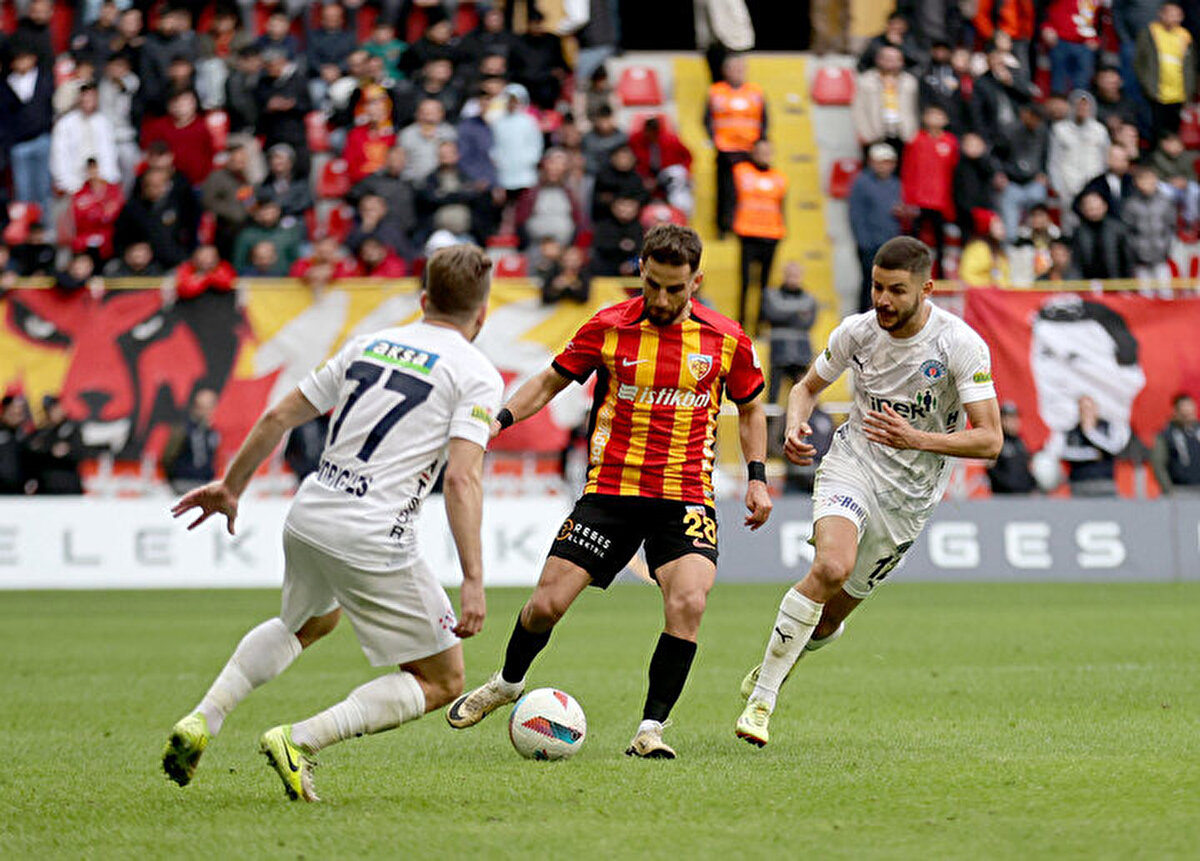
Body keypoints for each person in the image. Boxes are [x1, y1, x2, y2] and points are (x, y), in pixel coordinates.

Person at [161, 244, 503, 803]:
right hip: (374, 536)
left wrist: (232, 487)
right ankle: (300, 741)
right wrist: (472, 578)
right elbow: (463, 480)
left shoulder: (368, 344)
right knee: (444, 680)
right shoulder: (477, 374)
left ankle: (205, 717)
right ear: (482, 315)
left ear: (422, 300)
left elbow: (278, 415)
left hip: (311, 512)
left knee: (307, 624)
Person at [446, 224, 772, 759]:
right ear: (640, 272)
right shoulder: (607, 327)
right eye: (654, 286)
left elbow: (752, 406)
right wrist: (497, 422)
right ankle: (507, 682)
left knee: (689, 601)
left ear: (697, 281)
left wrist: (756, 476)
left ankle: (650, 729)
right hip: (612, 491)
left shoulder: (726, 338)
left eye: (676, 288)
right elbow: (549, 382)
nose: (663, 300)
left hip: (685, 494)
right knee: (545, 605)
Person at [733, 236, 1002, 747]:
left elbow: (990, 438)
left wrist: (916, 438)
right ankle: (763, 698)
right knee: (830, 567)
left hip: (910, 500)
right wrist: (793, 426)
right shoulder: (857, 331)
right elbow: (806, 387)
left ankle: (777, 660)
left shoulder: (959, 345)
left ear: (926, 289)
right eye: (877, 287)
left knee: (828, 619)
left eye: (896, 291)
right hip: (852, 466)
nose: (882, 300)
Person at [705, 55, 767, 237]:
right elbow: (707, 119)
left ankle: (746, 226)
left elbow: (764, 120)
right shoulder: (716, 92)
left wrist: (759, 146)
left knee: (748, 192)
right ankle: (723, 227)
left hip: (749, 151)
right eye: (733, 68)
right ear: (725, 71)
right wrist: (714, 139)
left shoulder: (756, 93)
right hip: (725, 150)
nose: (737, 73)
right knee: (725, 191)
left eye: (741, 69)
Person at [733, 138, 787, 332]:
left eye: (768, 152)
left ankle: (760, 324)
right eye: (761, 151)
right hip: (748, 233)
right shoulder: (742, 172)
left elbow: (782, 207)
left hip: (771, 234)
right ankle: (741, 323)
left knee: (764, 285)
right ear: (753, 153)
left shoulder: (779, 178)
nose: (764, 156)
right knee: (745, 282)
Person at [902, 105, 958, 275]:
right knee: (915, 239)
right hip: (919, 199)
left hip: (941, 200)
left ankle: (940, 275)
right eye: (931, 114)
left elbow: (954, 174)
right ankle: (914, 272)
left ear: (946, 120)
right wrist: (908, 199)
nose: (934, 119)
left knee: (941, 241)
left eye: (938, 115)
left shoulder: (950, 142)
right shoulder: (916, 140)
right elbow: (908, 170)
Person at [849, 143, 902, 313]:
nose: (885, 166)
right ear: (872, 162)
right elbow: (856, 215)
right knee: (869, 285)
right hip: (871, 245)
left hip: (891, 245)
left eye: (888, 162)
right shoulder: (862, 183)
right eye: (881, 162)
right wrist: (865, 243)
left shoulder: (896, 184)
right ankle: (864, 317)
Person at [1134, 1, 1194, 144]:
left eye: (1176, 14)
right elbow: (1139, 62)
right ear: (1160, 14)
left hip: (1179, 94)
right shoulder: (1149, 33)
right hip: (1156, 93)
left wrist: (1189, 91)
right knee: (1155, 132)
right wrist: (1148, 86)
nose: (1172, 17)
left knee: (1174, 134)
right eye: (1169, 13)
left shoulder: (1185, 36)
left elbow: (1190, 66)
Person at [760, 262, 817, 403]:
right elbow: (771, 314)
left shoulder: (810, 298)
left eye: (796, 275)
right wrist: (798, 312)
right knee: (773, 395)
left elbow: (808, 322)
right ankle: (771, 423)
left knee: (803, 395)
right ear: (784, 275)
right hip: (779, 353)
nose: (793, 278)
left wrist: (783, 313)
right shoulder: (771, 295)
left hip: (802, 353)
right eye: (790, 275)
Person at [851, 46, 918, 165]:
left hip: (902, 133)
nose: (891, 62)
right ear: (878, 60)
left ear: (901, 61)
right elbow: (858, 109)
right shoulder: (866, 80)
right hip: (875, 133)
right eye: (887, 58)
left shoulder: (910, 81)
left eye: (895, 59)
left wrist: (913, 133)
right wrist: (865, 133)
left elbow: (915, 108)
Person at [1122, 163, 1177, 290]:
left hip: (1161, 258)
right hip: (1140, 260)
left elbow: (1171, 227)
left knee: (1165, 294)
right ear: (1136, 182)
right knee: (1145, 298)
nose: (1147, 183)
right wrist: (1136, 250)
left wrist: (1166, 248)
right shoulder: (1131, 204)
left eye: (1150, 179)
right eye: (1143, 180)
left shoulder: (1165, 201)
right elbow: (1128, 232)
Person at [161, 387, 222, 496]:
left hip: (206, 484)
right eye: (203, 407)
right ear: (195, 407)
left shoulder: (213, 432)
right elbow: (167, 458)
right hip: (182, 484)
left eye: (210, 406)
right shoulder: (182, 429)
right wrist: (174, 481)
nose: (207, 411)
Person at [1062, 395, 1123, 497]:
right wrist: (1092, 453)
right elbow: (1065, 452)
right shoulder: (1073, 431)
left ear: (1096, 409)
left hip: (1104, 485)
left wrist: (1090, 433)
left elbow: (1114, 448)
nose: (1086, 413)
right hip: (1079, 485)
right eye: (1083, 409)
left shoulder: (1108, 427)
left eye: (1089, 409)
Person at [25, 395, 84, 495]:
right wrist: (50, 450)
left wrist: (68, 450)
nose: (57, 412)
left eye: (58, 408)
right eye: (52, 409)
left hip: (69, 484)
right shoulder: (41, 432)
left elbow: (80, 452)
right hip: (46, 485)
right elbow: (31, 451)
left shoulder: (73, 430)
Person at [1151, 393, 1200, 494]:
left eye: (1191, 412)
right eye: (1184, 413)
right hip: (1180, 489)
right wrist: (1169, 490)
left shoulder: (1197, 431)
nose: (1189, 415)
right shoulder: (1167, 434)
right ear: (1176, 412)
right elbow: (1158, 463)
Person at [987, 402, 1036, 494]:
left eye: (1014, 418)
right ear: (1001, 420)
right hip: (1003, 497)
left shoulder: (1021, 442)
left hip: (1024, 496)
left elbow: (1027, 469)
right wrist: (1009, 486)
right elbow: (991, 470)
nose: (1012, 422)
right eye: (1008, 418)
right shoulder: (996, 442)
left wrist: (1031, 485)